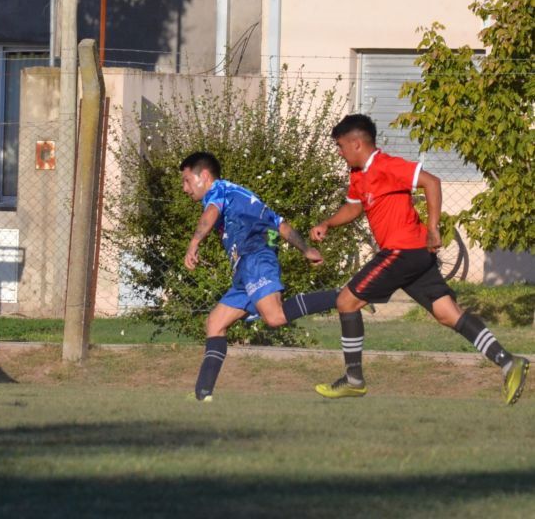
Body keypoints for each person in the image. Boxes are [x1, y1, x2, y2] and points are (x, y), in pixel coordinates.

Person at [310, 113, 528, 404]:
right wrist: (327, 224)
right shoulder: (358, 175)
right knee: (447, 313)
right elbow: (354, 208)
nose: (339, 152)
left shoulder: (387, 165)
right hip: (414, 257)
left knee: (346, 301)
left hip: (402, 251)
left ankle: (353, 378)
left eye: (340, 146)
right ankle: (508, 362)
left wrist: (434, 228)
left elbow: (432, 182)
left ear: (356, 143)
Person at [180, 152, 339, 402]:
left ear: (206, 177)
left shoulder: (219, 190)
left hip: (255, 258)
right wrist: (306, 249)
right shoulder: (245, 197)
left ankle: (342, 297)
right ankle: (202, 395)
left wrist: (194, 243)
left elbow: (211, 213)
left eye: (187, 180)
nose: (184, 188)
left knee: (274, 317)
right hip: (246, 267)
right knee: (215, 323)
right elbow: (280, 225)